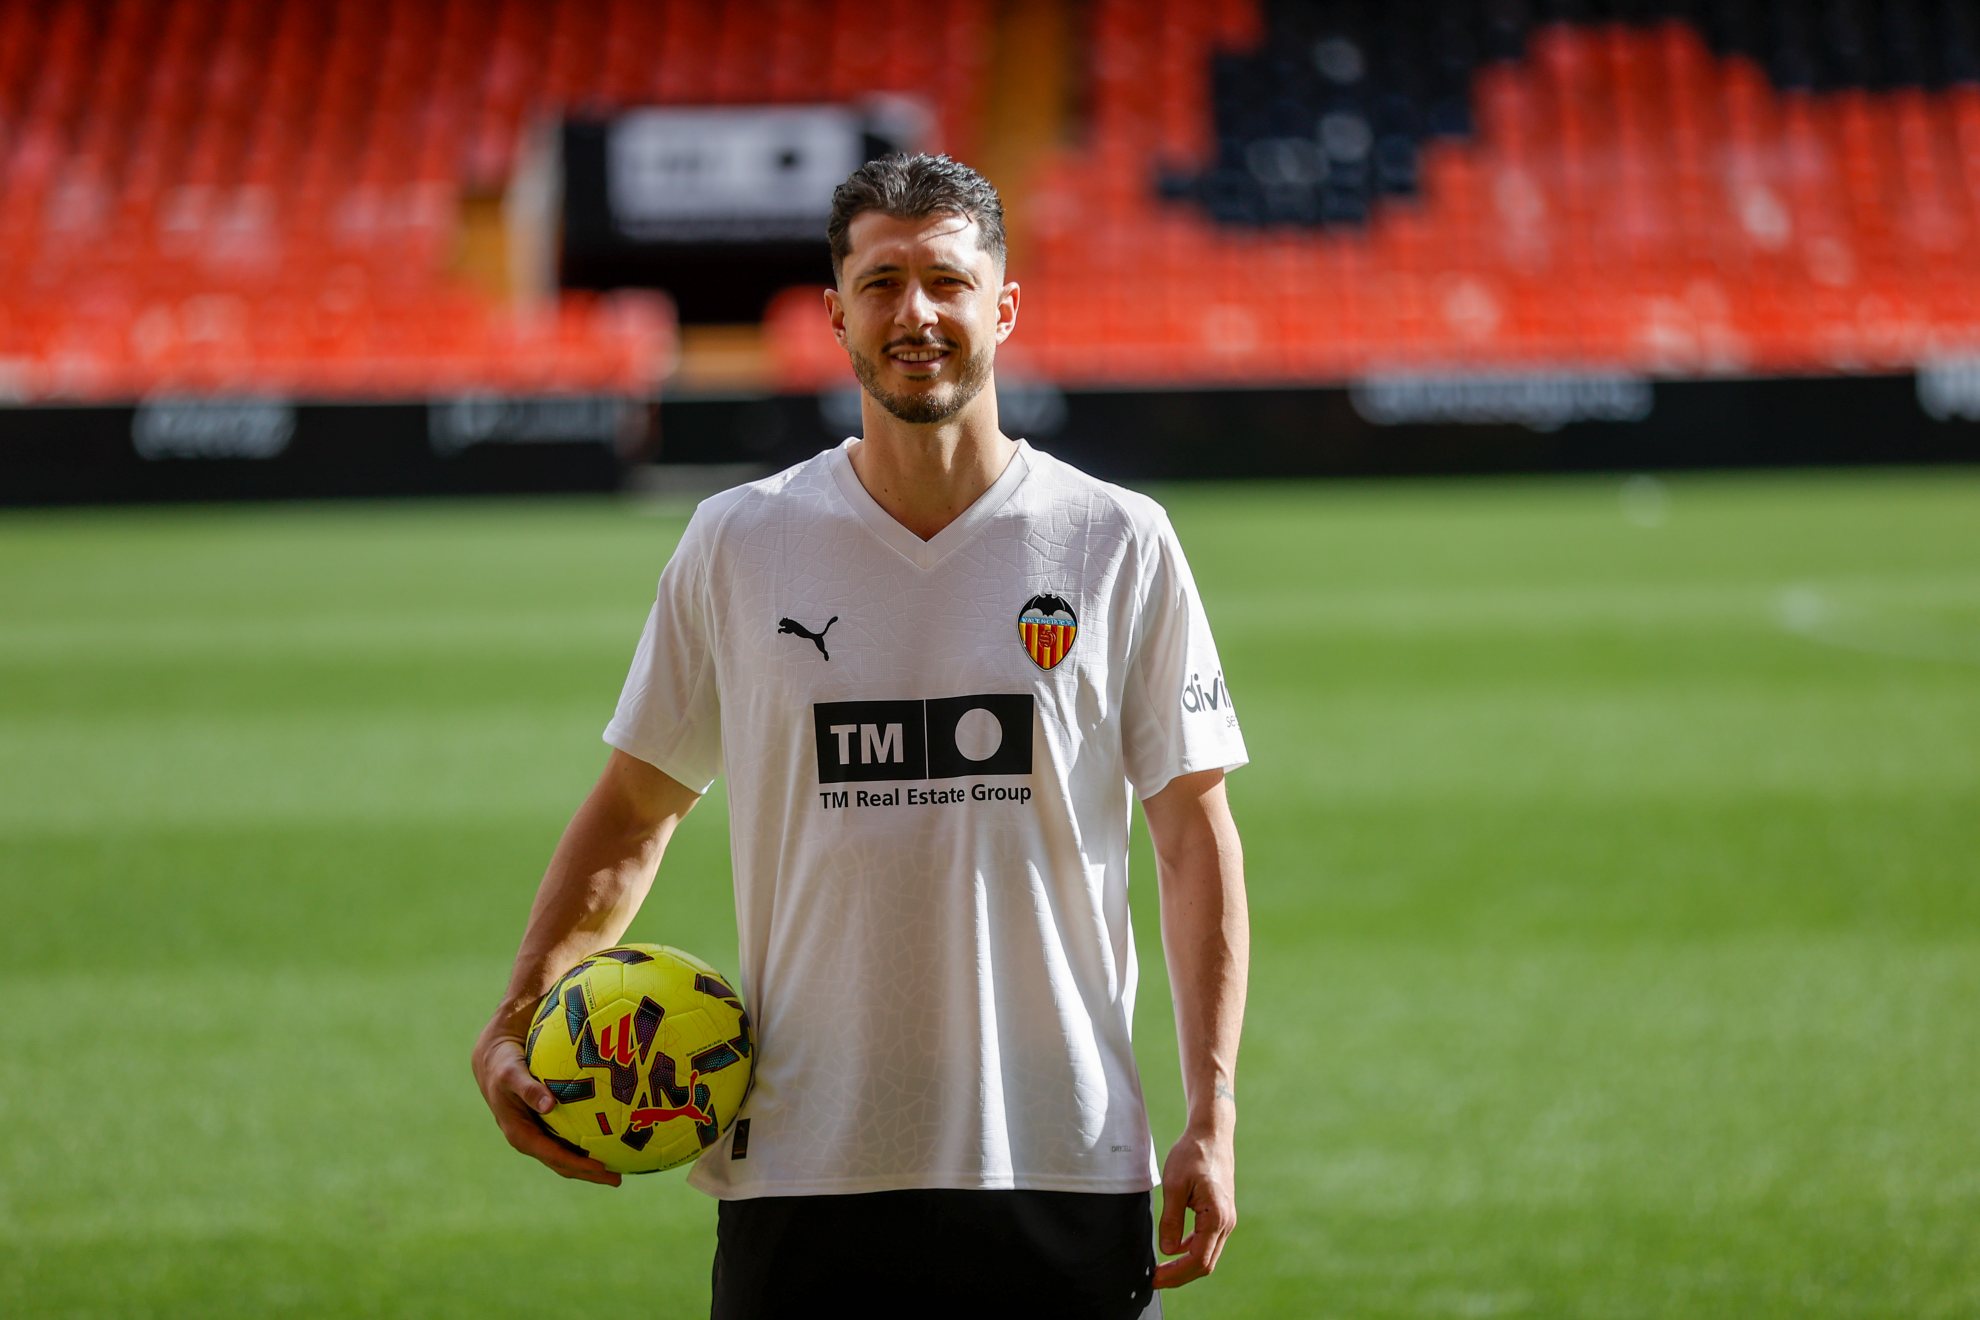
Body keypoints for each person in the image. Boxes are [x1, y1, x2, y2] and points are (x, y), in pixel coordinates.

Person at [471, 153, 1249, 1320]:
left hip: (1059, 1159)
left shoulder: (1116, 539)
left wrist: (1213, 1113)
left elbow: (1193, 837)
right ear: (834, 315)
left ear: (1004, 305)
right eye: (881, 284)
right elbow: (636, 810)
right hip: (802, 1169)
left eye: (947, 280)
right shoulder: (738, 543)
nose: (917, 313)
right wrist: (514, 1024)